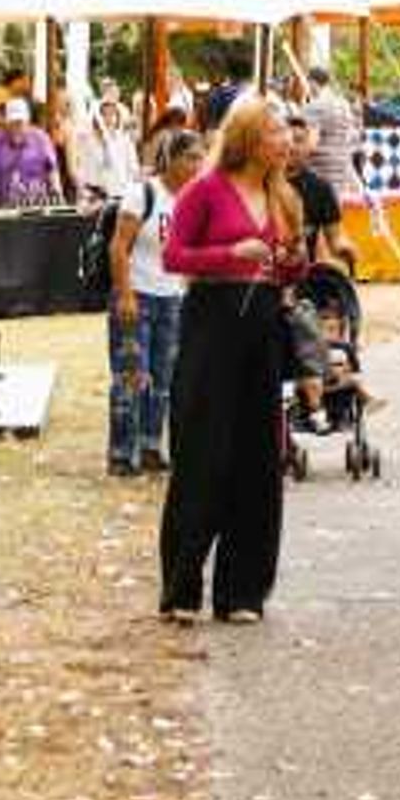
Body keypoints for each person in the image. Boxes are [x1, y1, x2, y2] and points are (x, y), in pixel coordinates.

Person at [160, 96, 305, 624]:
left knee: (257, 459)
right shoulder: (206, 190)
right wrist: (230, 255)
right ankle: (181, 587)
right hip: (211, 323)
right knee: (203, 454)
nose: (286, 141)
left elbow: (292, 272)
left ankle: (243, 591)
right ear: (247, 138)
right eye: (276, 133)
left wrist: (293, 262)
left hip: (262, 326)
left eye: (288, 134)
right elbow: (175, 255)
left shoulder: (283, 196)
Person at [107, 131, 203, 478]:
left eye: (200, 158)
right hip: (138, 295)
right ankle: (121, 451)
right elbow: (118, 247)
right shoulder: (142, 193)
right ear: (172, 159)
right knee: (132, 374)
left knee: (163, 380)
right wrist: (125, 293)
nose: (197, 165)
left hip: (172, 299)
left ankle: (150, 446)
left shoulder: (192, 201)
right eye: (191, 157)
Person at [285, 115, 352, 271]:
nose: (292, 147)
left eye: (298, 140)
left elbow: (335, 237)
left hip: (304, 277)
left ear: (309, 146)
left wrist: (344, 249)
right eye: (287, 140)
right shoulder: (262, 183)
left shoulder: (321, 188)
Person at [0, 99, 60, 207]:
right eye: (12, 123)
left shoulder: (41, 138)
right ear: (6, 122)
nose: (16, 127)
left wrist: (58, 196)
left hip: (38, 204)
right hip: (5, 205)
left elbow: (52, 169)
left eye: (20, 123)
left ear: (28, 121)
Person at [72, 86, 141, 202]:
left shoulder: (124, 138)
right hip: (96, 192)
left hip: (121, 192)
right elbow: (79, 135)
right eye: (105, 113)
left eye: (112, 112)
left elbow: (133, 166)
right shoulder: (90, 138)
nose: (108, 117)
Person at [301, 67, 362, 197]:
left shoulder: (314, 107)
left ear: (312, 82)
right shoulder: (344, 105)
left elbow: (311, 143)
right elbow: (351, 138)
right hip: (343, 173)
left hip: (320, 174)